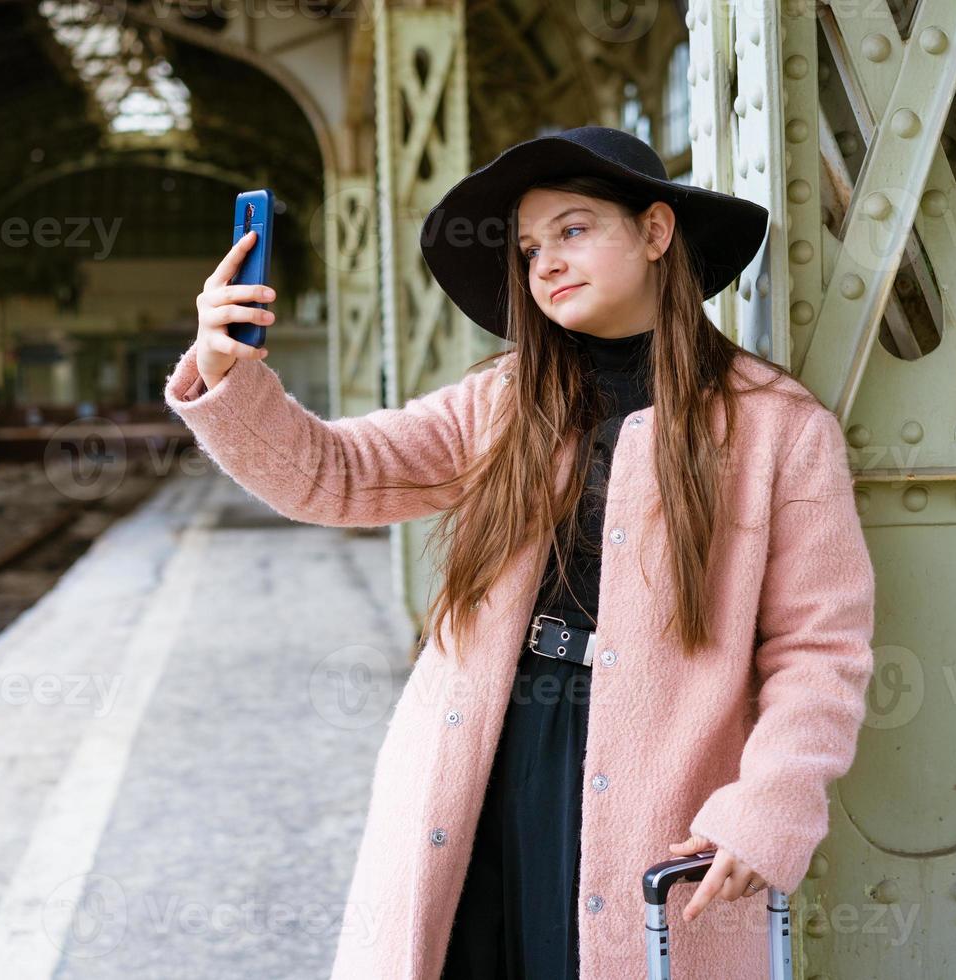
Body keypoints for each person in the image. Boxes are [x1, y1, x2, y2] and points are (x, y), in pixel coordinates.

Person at [165, 126, 877, 980]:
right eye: (530, 247)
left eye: (573, 230)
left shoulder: (778, 427)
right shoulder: (500, 403)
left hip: (662, 772)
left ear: (656, 233)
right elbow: (333, 475)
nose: (545, 262)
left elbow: (818, 648)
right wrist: (226, 368)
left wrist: (771, 802)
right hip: (486, 749)